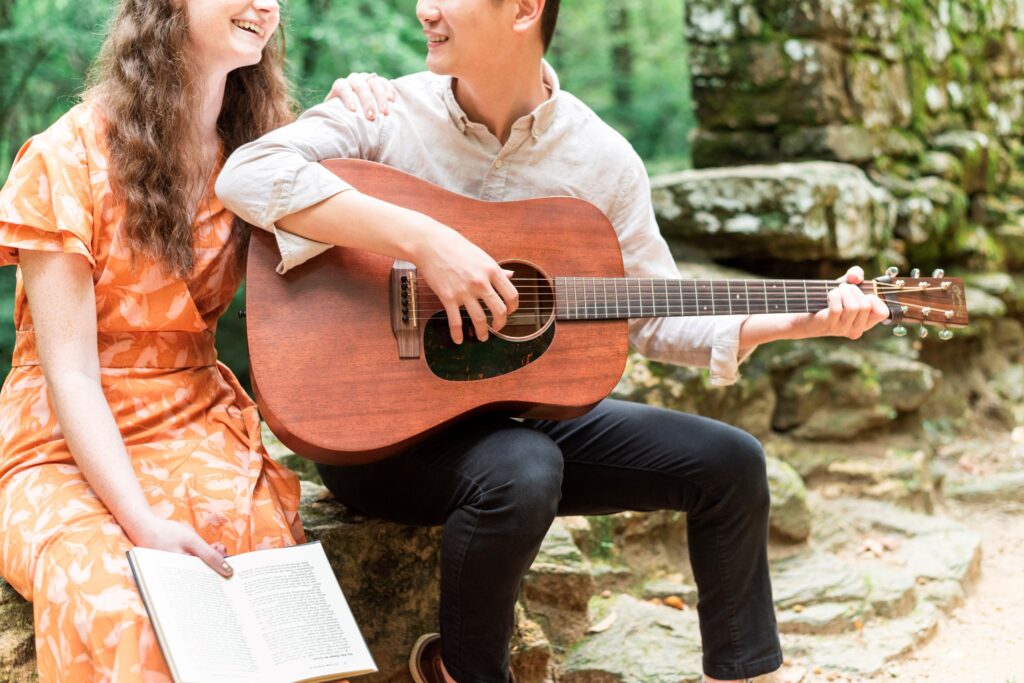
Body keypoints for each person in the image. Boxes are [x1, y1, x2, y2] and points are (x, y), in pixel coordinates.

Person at [216, 1, 891, 681]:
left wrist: (800, 320)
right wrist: (427, 241)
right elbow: (247, 175)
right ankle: (464, 669)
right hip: (373, 431)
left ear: (523, 9)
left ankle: (746, 672)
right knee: (524, 462)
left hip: (515, 413)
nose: (424, 9)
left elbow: (653, 313)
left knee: (732, 464)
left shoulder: (602, 162)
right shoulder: (381, 111)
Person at [0, 0, 378, 679]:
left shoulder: (259, 157)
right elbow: (71, 377)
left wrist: (360, 111)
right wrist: (142, 521)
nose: (267, 5)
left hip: (198, 424)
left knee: (269, 593)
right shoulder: (64, 159)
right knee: (124, 606)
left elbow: (362, 235)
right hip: (63, 438)